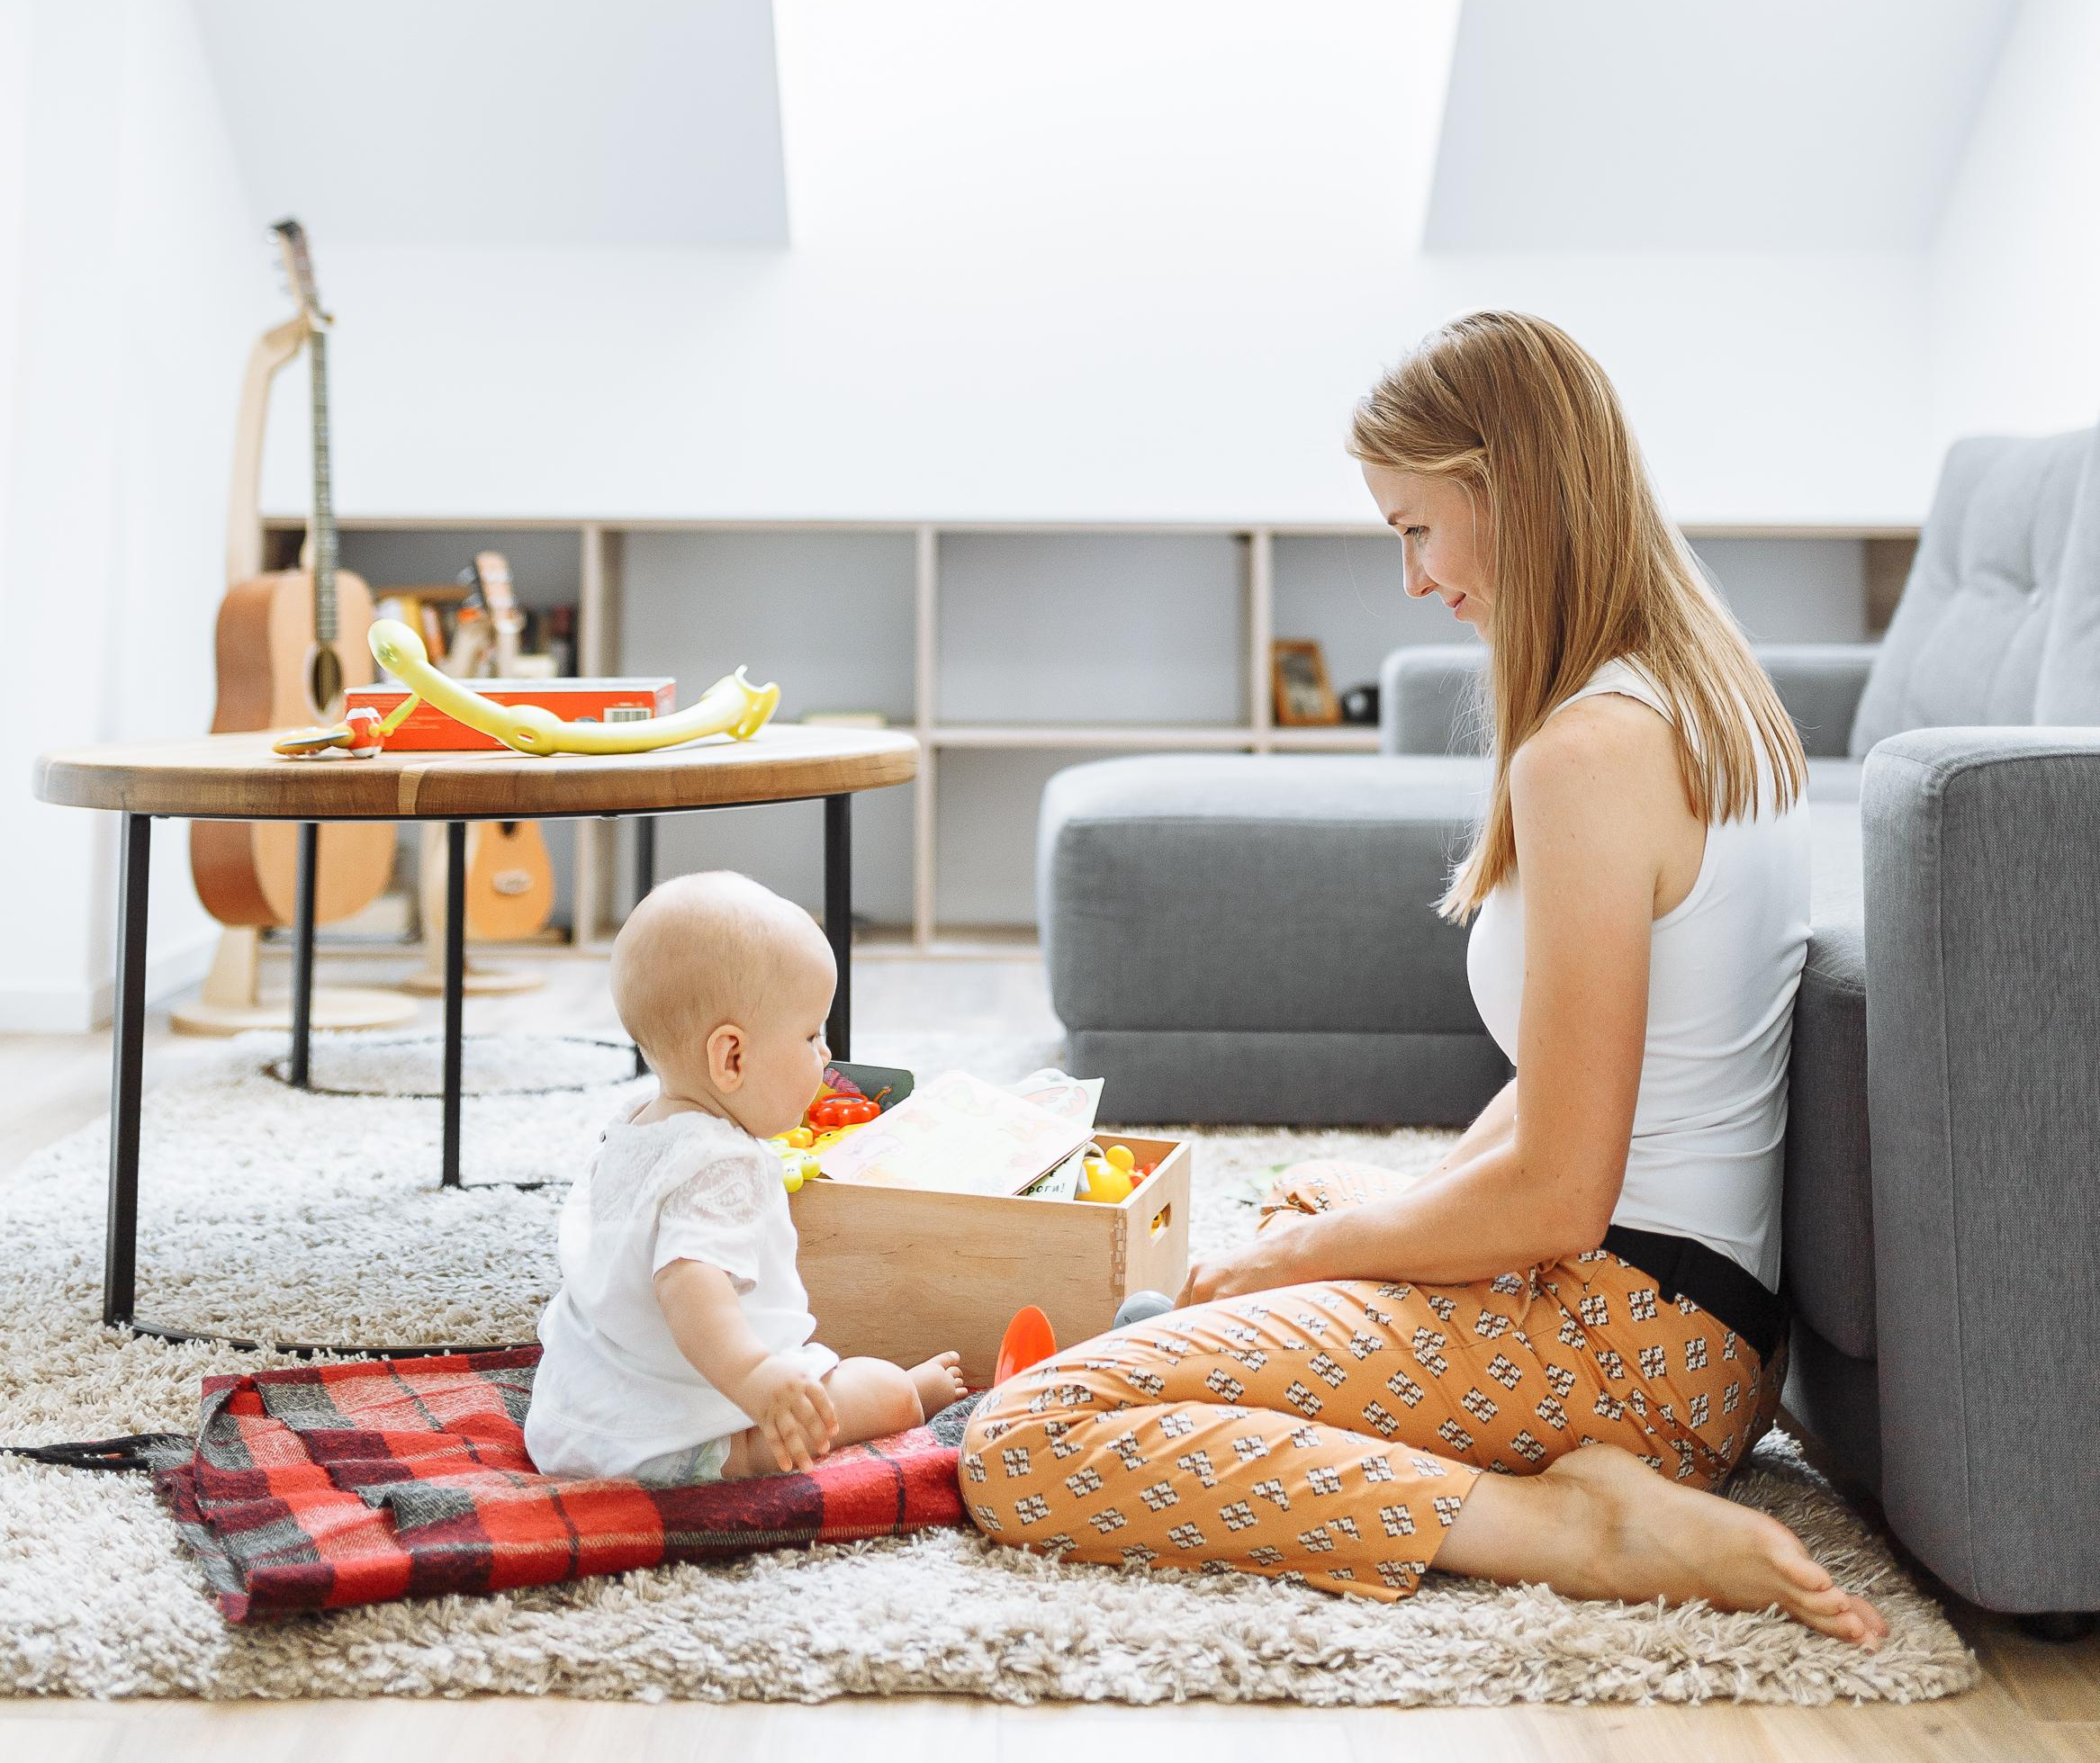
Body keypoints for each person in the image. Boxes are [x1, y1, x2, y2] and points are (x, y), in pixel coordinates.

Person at [961, 310, 1885, 1646]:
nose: (1409, 579)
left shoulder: (1589, 759)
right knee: (1320, 1196)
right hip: (1704, 1332)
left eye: (1413, 529)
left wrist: (1302, 1262)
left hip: (1625, 1345)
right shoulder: (1707, 696)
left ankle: (1570, 1525)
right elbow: (1576, 1083)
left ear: (1505, 491)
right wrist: (1332, 1238)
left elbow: (1559, 1194)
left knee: (1032, 1435)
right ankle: (1553, 1457)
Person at [525, 870, 964, 1482]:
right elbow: (688, 1284)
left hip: (573, 1420)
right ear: (731, 1058)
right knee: (883, 1390)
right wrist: (758, 1379)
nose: (824, 1055)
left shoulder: (631, 1127)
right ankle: (895, 1400)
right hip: (668, 1440)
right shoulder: (720, 1164)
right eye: (811, 1034)